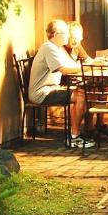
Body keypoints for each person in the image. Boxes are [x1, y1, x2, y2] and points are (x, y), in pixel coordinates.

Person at [29, 19, 93, 148]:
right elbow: (64, 70)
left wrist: (88, 64)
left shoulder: (56, 48)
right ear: (55, 35)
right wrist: (85, 69)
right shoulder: (49, 48)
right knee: (80, 96)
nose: (68, 36)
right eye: (65, 33)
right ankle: (74, 137)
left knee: (82, 94)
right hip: (42, 92)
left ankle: (80, 132)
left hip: (51, 89)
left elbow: (70, 65)